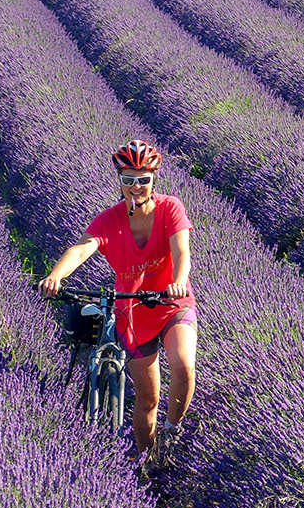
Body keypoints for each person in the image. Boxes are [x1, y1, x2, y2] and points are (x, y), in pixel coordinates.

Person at [38, 139, 197, 456]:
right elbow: (82, 248)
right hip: (133, 312)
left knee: (183, 366)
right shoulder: (109, 220)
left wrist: (179, 282)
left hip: (170, 303)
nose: (136, 186)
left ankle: (172, 430)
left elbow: (182, 252)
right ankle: (148, 460)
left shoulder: (170, 208)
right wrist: (56, 276)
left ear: (154, 179)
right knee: (147, 399)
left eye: (143, 179)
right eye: (128, 180)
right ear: (120, 180)